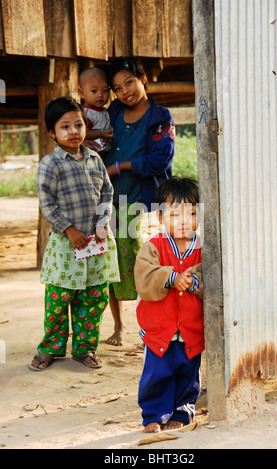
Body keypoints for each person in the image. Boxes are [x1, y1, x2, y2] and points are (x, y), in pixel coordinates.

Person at [28, 96, 119, 371]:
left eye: (78, 124)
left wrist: (104, 222)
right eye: (64, 126)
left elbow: (107, 192)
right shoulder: (50, 163)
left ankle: (85, 348)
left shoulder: (94, 159)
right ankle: (51, 349)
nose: (73, 131)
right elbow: (47, 202)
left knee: (93, 298)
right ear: (52, 133)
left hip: (96, 243)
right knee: (59, 299)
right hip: (66, 245)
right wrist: (68, 230)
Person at [103, 56, 175, 346]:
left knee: (146, 264)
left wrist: (120, 167)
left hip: (143, 204)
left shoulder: (160, 117)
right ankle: (119, 328)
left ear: (143, 79)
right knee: (112, 266)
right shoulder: (113, 112)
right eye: (118, 88)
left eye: (129, 82)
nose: (125, 92)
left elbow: (161, 159)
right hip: (109, 202)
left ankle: (153, 326)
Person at [134, 177, 204, 433]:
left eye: (192, 213)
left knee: (188, 373)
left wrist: (195, 280)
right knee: (157, 374)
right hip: (159, 329)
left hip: (191, 328)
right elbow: (144, 277)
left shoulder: (204, 248)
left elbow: (210, 275)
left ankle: (182, 412)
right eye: (175, 215)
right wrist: (172, 278)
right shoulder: (152, 247)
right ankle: (153, 414)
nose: (184, 220)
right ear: (161, 218)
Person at [78, 67, 113, 153]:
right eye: (94, 91)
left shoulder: (106, 111)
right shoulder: (86, 114)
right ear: (82, 93)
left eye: (105, 91)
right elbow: (81, 133)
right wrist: (101, 134)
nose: (100, 95)